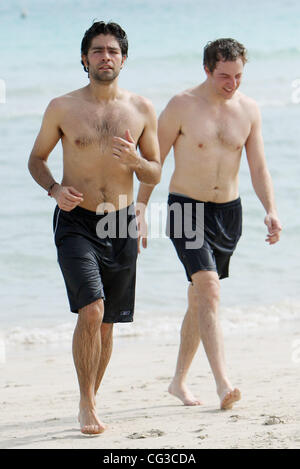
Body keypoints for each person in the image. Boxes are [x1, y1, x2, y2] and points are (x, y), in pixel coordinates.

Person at [28, 21, 161, 434]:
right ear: (84, 59)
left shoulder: (141, 109)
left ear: (123, 58)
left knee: (107, 324)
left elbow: (154, 170)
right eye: (98, 50)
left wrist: (136, 166)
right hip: (77, 221)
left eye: (113, 50)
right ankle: (86, 403)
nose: (106, 56)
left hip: (120, 222)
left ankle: (91, 398)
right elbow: (37, 159)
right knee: (92, 309)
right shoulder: (62, 107)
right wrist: (53, 188)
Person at [136, 38, 282, 410]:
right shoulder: (181, 106)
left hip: (228, 213)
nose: (231, 84)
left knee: (200, 297)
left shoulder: (248, 110)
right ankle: (223, 384)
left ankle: (178, 382)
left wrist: (271, 209)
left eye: (238, 76)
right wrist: (139, 207)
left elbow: (259, 167)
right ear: (206, 70)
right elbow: (156, 161)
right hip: (185, 207)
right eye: (223, 76)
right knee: (210, 290)